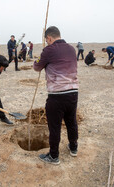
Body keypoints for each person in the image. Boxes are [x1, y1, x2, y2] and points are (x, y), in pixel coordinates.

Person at [33, 26, 79, 165]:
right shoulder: (72, 49)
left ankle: (54, 156)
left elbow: (37, 67)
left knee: (54, 126)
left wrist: (37, 60)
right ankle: (74, 148)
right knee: (71, 121)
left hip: (57, 95)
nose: (47, 43)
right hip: (73, 92)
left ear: (49, 38)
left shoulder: (48, 50)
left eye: (47, 40)